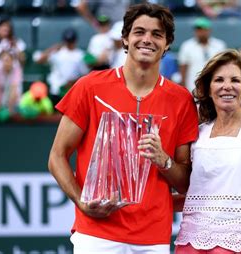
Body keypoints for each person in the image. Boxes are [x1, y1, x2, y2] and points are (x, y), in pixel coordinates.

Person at [48, 3, 199, 253]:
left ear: (167, 44)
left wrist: (164, 160)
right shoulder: (89, 87)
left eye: (157, 34)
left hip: (152, 237)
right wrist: (82, 201)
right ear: (125, 39)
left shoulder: (181, 100)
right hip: (96, 233)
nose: (147, 40)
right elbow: (57, 156)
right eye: (139, 32)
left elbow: (185, 183)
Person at [174, 49, 241, 253]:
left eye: (235, 80)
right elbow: (196, 194)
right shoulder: (198, 133)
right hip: (188, 243)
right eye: (219, 80)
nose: (227, 86)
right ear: (208, 89)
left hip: (239, 245)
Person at [35, 28, 89, 106]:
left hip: (72, 91)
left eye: (71, 41)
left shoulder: (81, 55)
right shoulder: (58, 53)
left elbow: (85, 74)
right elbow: (39, 60)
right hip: (56, 90)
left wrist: (72, 82)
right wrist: (54, 48)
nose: (69, 43)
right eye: (68, 41)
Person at [178, 17, 226, 94]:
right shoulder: (187, 46)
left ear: (209, 30)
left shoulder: (219, 45)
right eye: (198, 29)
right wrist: (183, 87)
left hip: (215, 86)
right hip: (193, 87)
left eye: (204, 29)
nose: (201, 32)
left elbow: (223, 66)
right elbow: (183, 67)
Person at [0, 51, 23, 118]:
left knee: (15, 93)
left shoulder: (17, 70)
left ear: (12, 61)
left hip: (15, 100)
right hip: (1, 98)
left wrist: (9, 113)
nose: (6, 63)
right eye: (4, 60)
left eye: (8, 60)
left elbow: (13, 90)